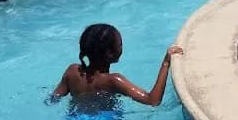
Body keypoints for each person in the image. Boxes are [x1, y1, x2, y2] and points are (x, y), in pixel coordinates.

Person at [51, 23, 182, 108]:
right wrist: (166, 62)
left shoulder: (72, 71)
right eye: (120, 44)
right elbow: (153, 100)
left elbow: (54, 98)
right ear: (110, 53)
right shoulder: (114, 80)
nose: (121, 47)